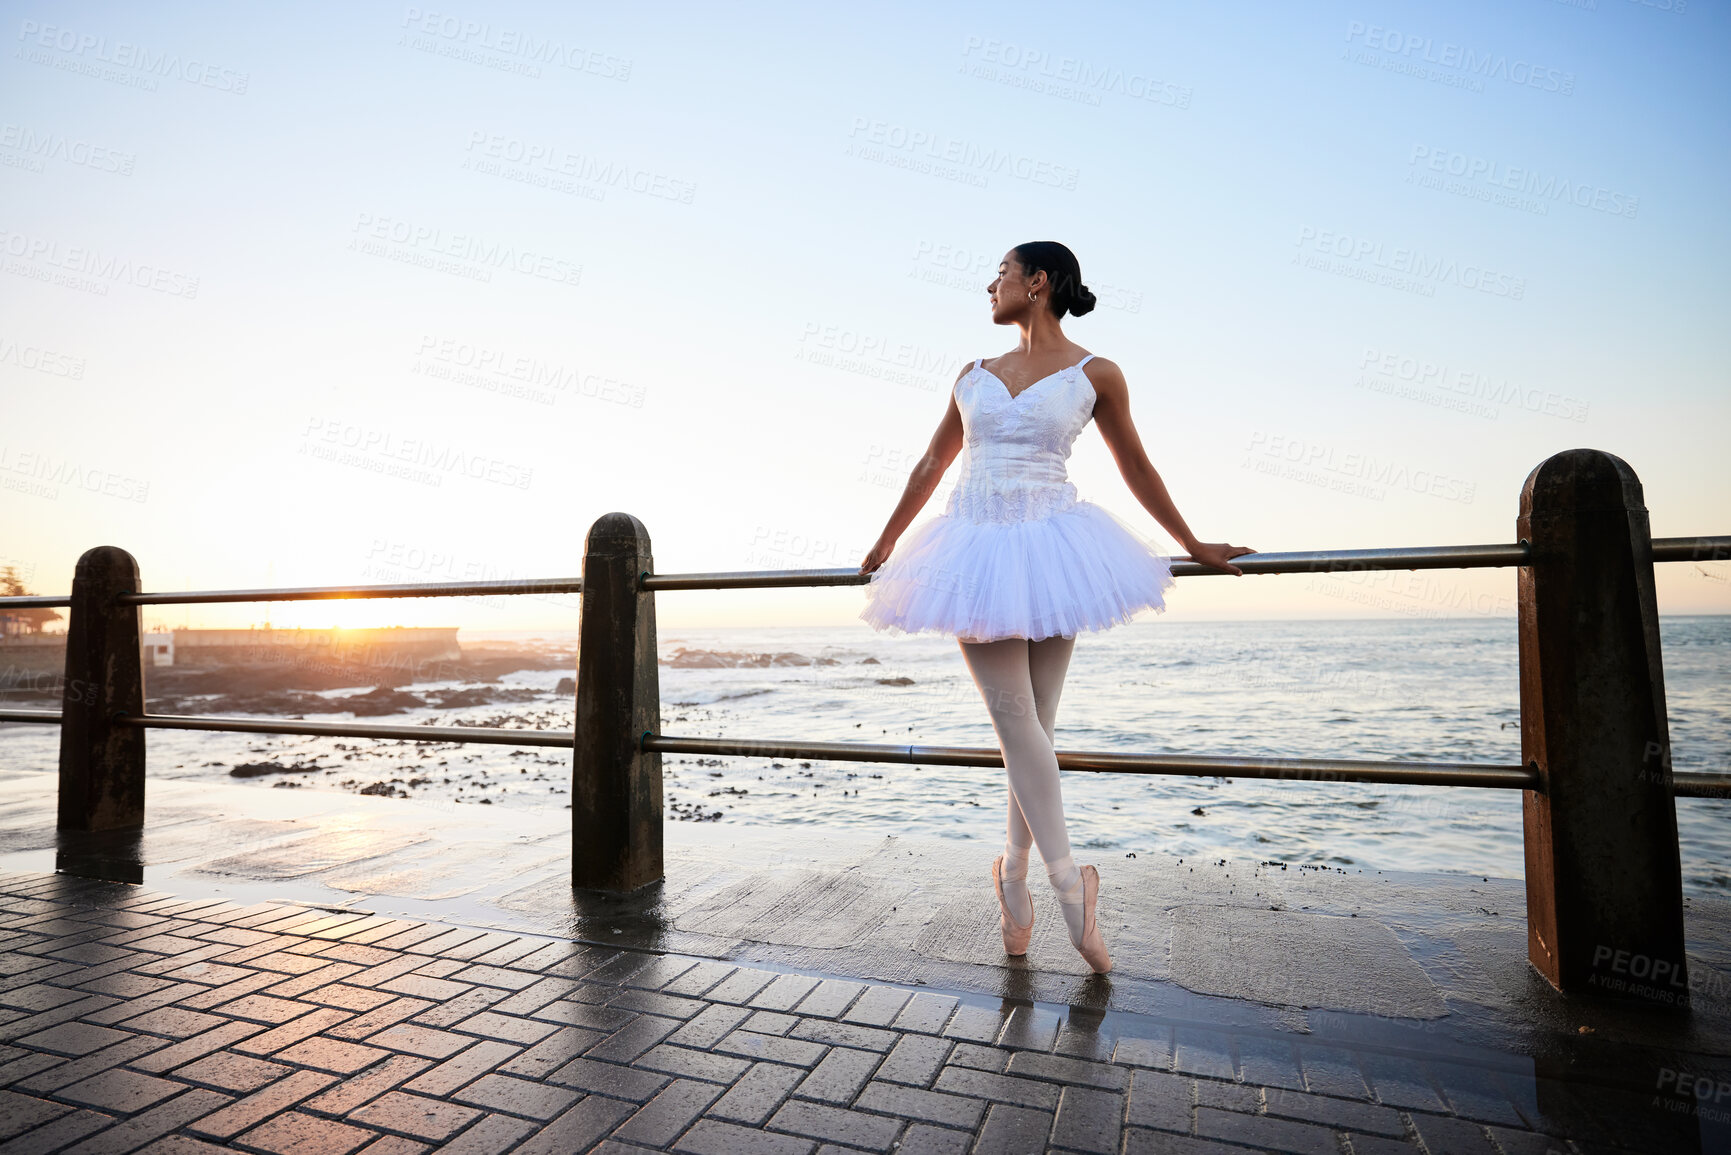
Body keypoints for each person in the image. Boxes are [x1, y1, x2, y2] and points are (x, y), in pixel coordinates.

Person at [857, 241, 1253, 973]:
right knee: (1017, 723)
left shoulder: (1094, 372)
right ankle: (1068, 892)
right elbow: (930, 462)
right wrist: (884, 542)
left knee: (1031, 727)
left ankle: (1013, 875)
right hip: (974, 548)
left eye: (1001, 273)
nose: (990, 285)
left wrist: (1192, 542)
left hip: (1055, 549)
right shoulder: (970, 374)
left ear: (1037, 283)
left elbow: (1136, 464)